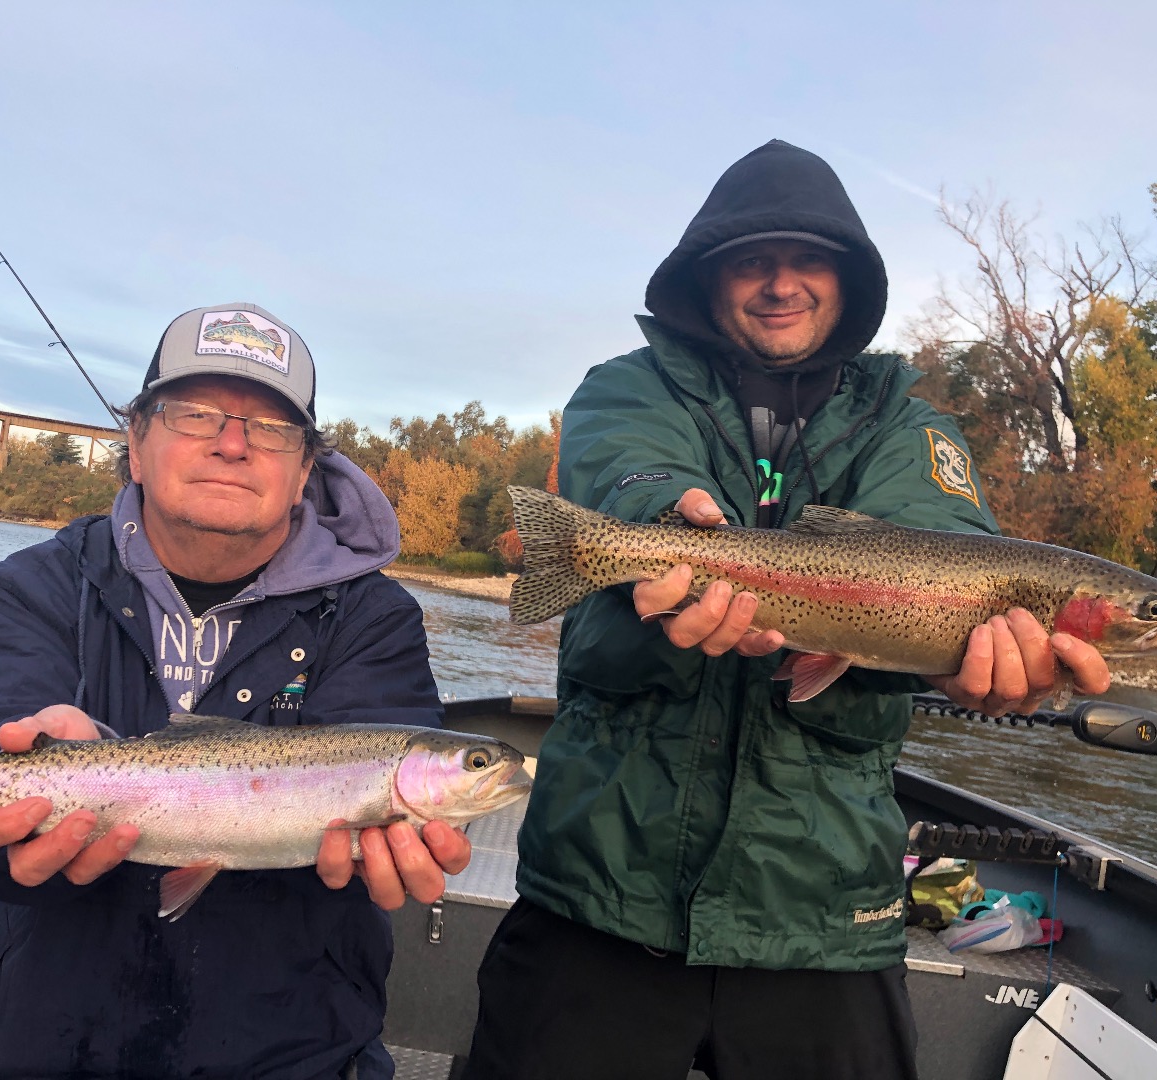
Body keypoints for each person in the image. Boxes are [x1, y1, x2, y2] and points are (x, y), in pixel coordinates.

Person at [462, 141, 1113, 1080]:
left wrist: (971, 669)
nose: (780, 284)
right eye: (751, 260)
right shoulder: (627, 384)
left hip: (825, 911)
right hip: (600, 886)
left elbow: (933, 549)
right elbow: (636, 470)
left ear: (848, 282)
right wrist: (667, 519)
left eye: (807, 260)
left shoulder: (912, 423)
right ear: (708, 275)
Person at [0, 302, 471, 1079]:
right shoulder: (30, 588)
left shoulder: (376, 618)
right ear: (135, 444)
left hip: (291, 1051)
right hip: (33, 1045)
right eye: (194, 413)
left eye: (271, 428)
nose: (233, 443)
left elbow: (387, 761)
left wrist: (403, 844)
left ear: (306, 469)